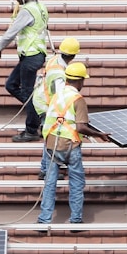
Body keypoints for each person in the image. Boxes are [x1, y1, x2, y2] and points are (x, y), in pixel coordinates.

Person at [37, 62, 110, 228]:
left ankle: (44, 219)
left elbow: (52, 119)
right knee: (76, 184)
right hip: (70, 145)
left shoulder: (57, 95)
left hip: (51, 144)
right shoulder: (78, 99)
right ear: (80, 81)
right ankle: (75, 220)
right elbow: (81, 127)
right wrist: (100, 135)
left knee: (49, 185)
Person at [0, 0, 49, 142]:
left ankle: (31, 130)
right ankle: (39, 112)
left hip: (31, 56)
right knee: (11, 85)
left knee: (27, 93)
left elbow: (12, 31)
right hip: (33, 55)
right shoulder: (40, 6)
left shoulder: (27, 10)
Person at [34, 37, 80, 180]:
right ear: (73, 55)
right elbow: (61, 96)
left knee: (50, 133)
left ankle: (45, 168)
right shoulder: (59, 75)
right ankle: (45, 170)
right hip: (46, 104)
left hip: (43, 99)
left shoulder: (55, 60)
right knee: (50, 134)